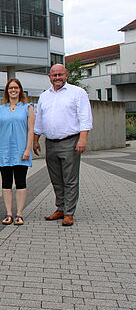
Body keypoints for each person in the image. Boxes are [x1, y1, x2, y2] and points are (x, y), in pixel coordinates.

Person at [33, 64, 93, 227]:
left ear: (66, 75)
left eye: (60, 74)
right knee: (56, 179)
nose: (57, 78)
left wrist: (83, 139)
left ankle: (69, 213)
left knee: (70, 179)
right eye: (54, 75)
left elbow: (85, 117)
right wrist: (35, 139)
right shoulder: (44, 96)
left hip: (70, 141)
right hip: (51, 143)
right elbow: (39, 120)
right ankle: (60, 208)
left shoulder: (77, 93)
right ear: (49, 77)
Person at [0, 78, 35, 226]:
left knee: (21, 182)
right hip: (3, 150)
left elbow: (30, 130)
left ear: (20, 90)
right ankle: (9, 213)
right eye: (10, 88)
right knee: (6, 183)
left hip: (20, 150)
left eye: (16, 87)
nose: (13, 90)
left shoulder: (28, 108)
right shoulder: (0, 109)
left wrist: (28, 149)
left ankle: (19, 214)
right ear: (7, 91)